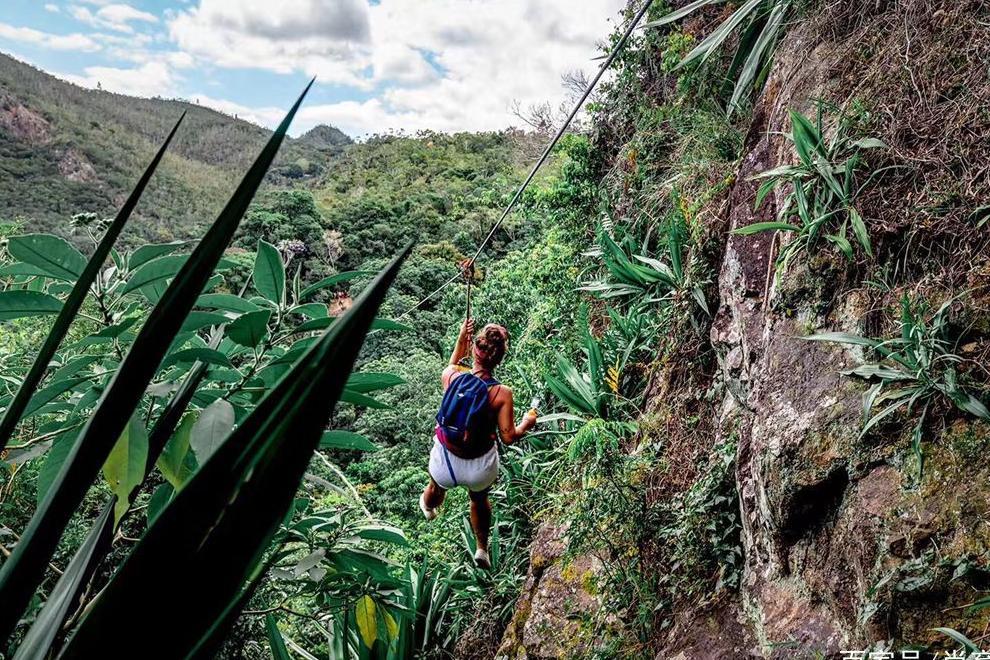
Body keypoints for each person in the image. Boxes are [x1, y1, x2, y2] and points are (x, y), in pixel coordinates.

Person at [420, 317, 537, 569]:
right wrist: (527, 422)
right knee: (479, 500)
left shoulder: (451, 377)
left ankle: (429, 507)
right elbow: (508, 436)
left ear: (475, 348)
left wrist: (462, 336)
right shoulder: (501, 394)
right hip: (479, 469)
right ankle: (482, 548)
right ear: (499, 359)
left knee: (435, 485)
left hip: (446, 464)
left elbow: (453, 363)